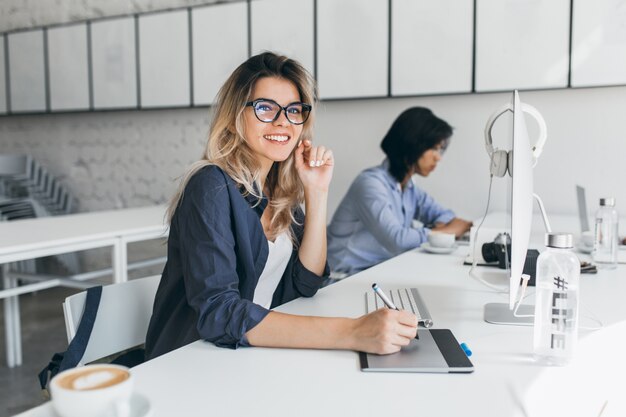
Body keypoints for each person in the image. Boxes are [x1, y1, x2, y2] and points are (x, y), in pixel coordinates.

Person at [145, 52, 417, 360]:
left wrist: (316, 191)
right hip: (192, 360)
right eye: (265, 108)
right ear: (235, 117)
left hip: (248, 353)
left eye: (293, 110)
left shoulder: (278, 187)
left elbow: (307, 282)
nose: (282, 122)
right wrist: (352, 332)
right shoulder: (211, 186)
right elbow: (219, 312)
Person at [327, 107, 472, 276]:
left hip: (378, 271)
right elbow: (398, 241)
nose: (438, 157)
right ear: (413, 144)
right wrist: (448, 231)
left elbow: (444, 215)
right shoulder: (370, 184)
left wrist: (446, 227)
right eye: (433, 148)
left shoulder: (408, 186)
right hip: (343, 279)